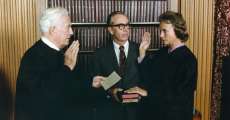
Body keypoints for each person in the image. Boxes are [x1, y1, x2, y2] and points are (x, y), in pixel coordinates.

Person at [15, 7, 80, 120]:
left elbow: (70, 89)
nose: (71, 32)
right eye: (68, 26)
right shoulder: (33, 57)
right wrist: (67, 67)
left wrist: (92, 83)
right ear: (52, 30)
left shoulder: (59, 53)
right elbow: (42, 99)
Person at [139, 11, 198, 120]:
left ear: (177, 30)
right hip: (155, 113)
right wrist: (142, 52)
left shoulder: (189, 60)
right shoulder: (162, 52)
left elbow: (180, 97)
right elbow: (148, 77)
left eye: (164, 31)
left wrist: (148, 93)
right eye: (160, 31)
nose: (161, 35)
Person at [91, 11, 149, 120]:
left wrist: (143, 56)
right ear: (110, 30)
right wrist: (111, 91)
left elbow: (149, 81)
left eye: (127, 25)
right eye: (120, 26)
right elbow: (96, 86)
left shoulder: (141, 50)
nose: (126, 29)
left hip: (137, 113)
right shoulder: (99, 54)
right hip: (109, 113)